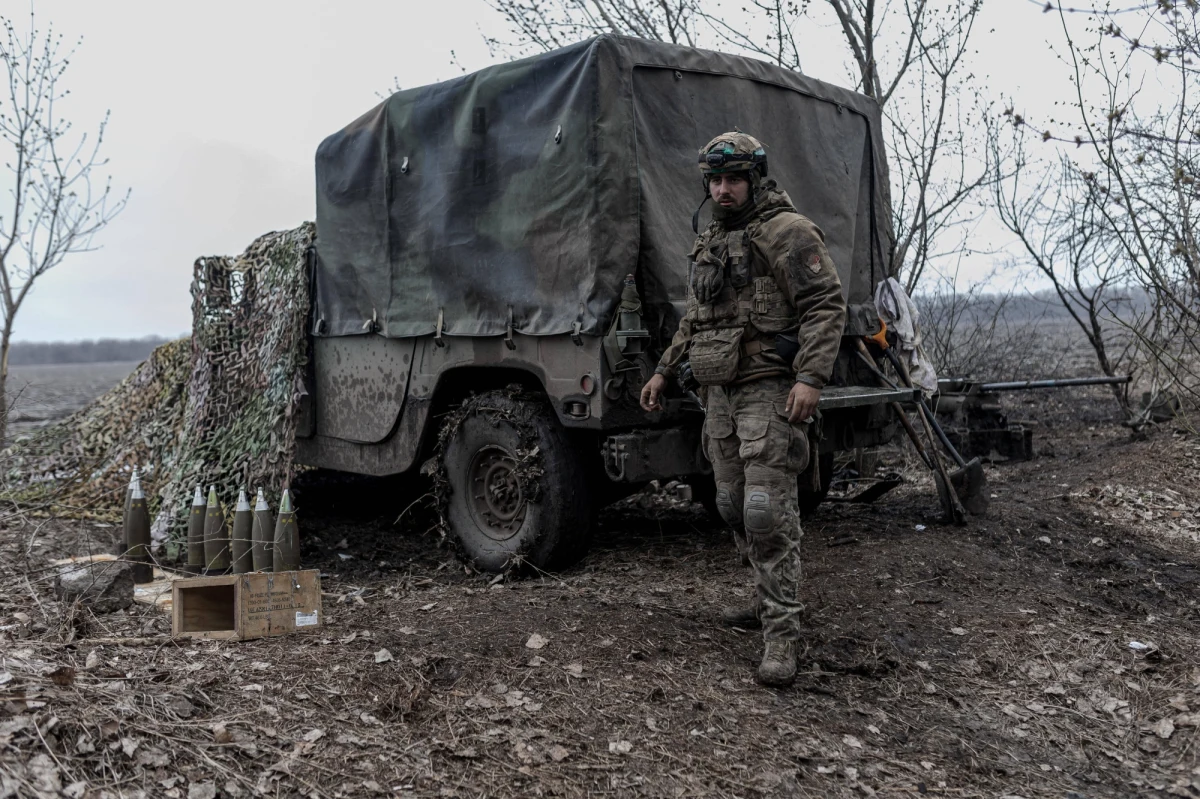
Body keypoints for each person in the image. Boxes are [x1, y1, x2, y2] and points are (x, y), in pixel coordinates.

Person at [639, 132, 846, 687]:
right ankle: (763, 600)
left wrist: (810, 377)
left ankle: (782, 635)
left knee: (765, 512)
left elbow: (825, 305)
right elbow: (696, 318)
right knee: (731, 506)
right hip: (719, 395)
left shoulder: (787, 231)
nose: (722, 189)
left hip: (768, 392)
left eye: (733, 179)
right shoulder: (711, 239)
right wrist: (663, 369)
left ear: (754, 179)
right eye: (715, 180)